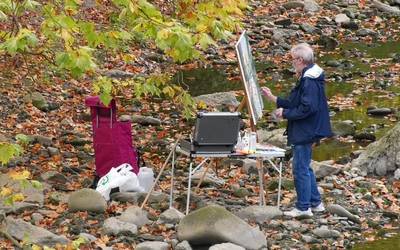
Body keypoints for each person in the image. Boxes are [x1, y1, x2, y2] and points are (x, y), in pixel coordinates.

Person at [261, 43, 332, 217]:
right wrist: (274, 98)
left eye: (293, 59)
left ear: (300, 60)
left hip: (306, 130)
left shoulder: (309, 80)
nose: (292, 63)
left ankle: (303, 207)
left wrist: (285, 113)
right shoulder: (308, 77)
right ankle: (316, 204)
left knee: (300, 169)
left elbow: (308, 108)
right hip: (308, 128)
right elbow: (297, 103)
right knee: (305, 167)